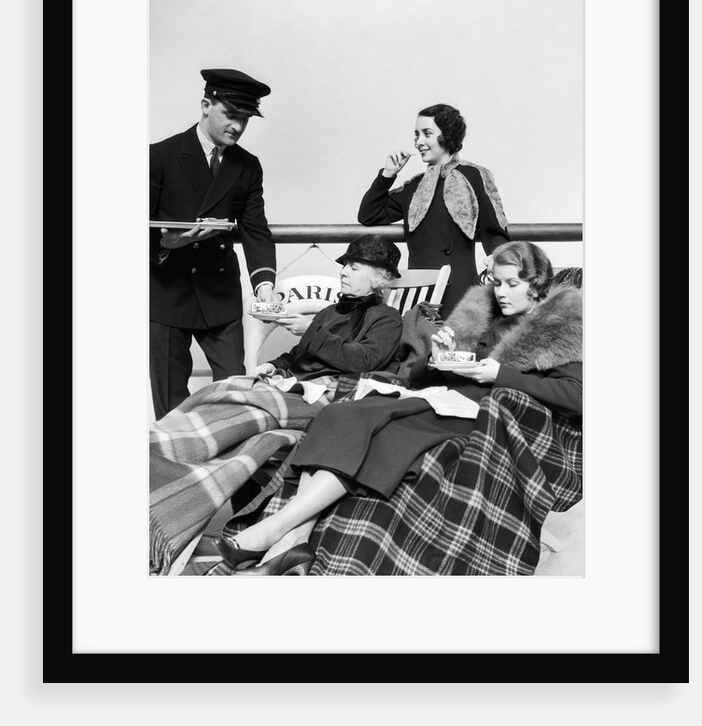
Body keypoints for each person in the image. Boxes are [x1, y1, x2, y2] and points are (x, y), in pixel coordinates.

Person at [213, 241, 582, 576]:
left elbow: (578, 396)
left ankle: (274, 531)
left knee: (387, 431)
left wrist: (501, 373)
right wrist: (436, 359)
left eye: (511, 284)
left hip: (487, 418)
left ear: (535, 284)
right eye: (496, 282)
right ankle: (292, 543)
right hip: (442, 399)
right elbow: (418, 377)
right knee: (341, 413)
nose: (500, 292)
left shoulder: (557, 327)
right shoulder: (483, 316)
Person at [149, 235, 405, 575]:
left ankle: (168, 446)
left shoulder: (386, 319)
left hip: (325, 397)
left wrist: (310, 330)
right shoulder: (331, 311)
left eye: (353, 267)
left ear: (379, 278)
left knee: (243, 399)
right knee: (229, 388)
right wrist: (277, 365)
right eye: (343, 264)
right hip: (290, 388)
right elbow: (298, 357)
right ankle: (170, 443)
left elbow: (363, 359)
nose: (343, 271)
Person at [149, 68, 278, 420]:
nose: (237, 126)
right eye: (231, 115)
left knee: (234, 397)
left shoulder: (247, 166)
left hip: (218, 294)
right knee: (171, 407)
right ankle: (174, 474)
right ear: (206, 105)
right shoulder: (159, 156)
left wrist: (264, 284)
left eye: (245, 119)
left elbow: (255, 229)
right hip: (166, 295)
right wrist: (167, 244)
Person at [357, 103, 510, 317]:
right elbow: (368, 214)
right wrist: (388, 174)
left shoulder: (474, 176)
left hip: (459, 290)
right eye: (417, 135)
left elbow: (494, 233)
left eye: (427, 133)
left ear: (447, 136)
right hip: (417, 292)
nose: (419, 142)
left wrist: (499, 262)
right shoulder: (414, 187)